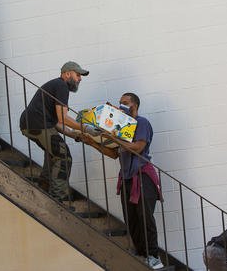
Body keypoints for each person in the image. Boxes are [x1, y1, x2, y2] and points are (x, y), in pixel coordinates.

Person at [86, 93, 164, 270]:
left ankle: (154, 256)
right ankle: (141, 253)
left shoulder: (141, 123)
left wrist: (113, 138)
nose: (121, 105)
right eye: (120, 103)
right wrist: (91, 142)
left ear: (134, 105)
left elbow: (138, 147)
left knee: (145, 217)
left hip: (143, 176)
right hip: (127, 178)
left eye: (125, 103)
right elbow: (114, 153)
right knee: (131, 218)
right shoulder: (121, 128)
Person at [19, 61, 100, 201]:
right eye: (78, 75)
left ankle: (43, 187)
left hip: (33, 123)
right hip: (37, 123)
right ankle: (58, 197)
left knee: (54, 153)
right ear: (67, 74)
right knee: (63, 155)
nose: (80, 78)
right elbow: (63, 118)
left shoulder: (56, 86)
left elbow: (56, 123)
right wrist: (86, 128)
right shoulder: (61, 86)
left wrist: (74, 134)